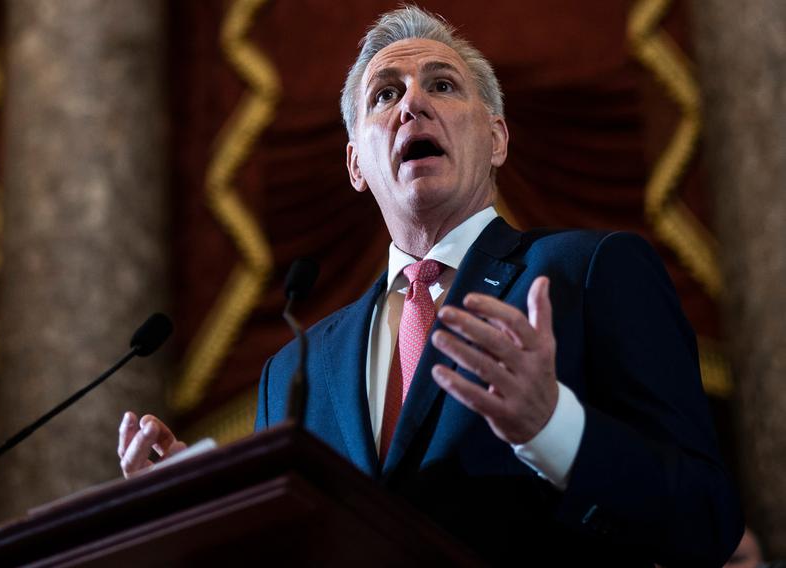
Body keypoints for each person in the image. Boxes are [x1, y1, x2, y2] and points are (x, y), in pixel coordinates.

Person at [118, 6, 743, 566]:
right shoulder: (294, 371)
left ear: (496, 138)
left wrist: (553, 427)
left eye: (442, 85)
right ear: (356, 164)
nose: (412, 104)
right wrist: (204, 517)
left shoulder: (592, 271)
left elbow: (704, 521)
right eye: (385, 95)